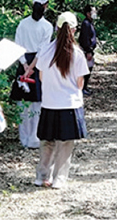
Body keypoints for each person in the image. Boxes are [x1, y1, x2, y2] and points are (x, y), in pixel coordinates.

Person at [34, 12, 90, 189]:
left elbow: (41, 77)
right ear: (74, 30)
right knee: (65, 144)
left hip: (49, 102)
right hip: (69, 104)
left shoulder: (45, 51)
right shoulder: (77, 54)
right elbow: (80, 82)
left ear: (56, 28)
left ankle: (41, 176)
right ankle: (59, 179)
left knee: (47, 141)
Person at [10, 0, 53, 149]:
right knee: (36, 103)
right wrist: (31, 67)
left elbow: (18, 44)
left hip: (24, 63)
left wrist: (24, 66)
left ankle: (24, 138)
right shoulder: (47, 26)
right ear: (45, 6)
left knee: (23, 104)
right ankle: (34, 138)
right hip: (37, 64)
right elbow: (42, 49)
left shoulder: (22, 23)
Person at [79, 5, 97, 96]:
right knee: (85, 70)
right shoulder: (86, 24)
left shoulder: (90, 23)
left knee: (89, 69)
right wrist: (88, 51)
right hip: (86, 51)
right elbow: (85, 38)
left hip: (90, 50)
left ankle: (85, 87)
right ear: (88, 13)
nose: (95, 13)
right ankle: (82, 88)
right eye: (93, 12)